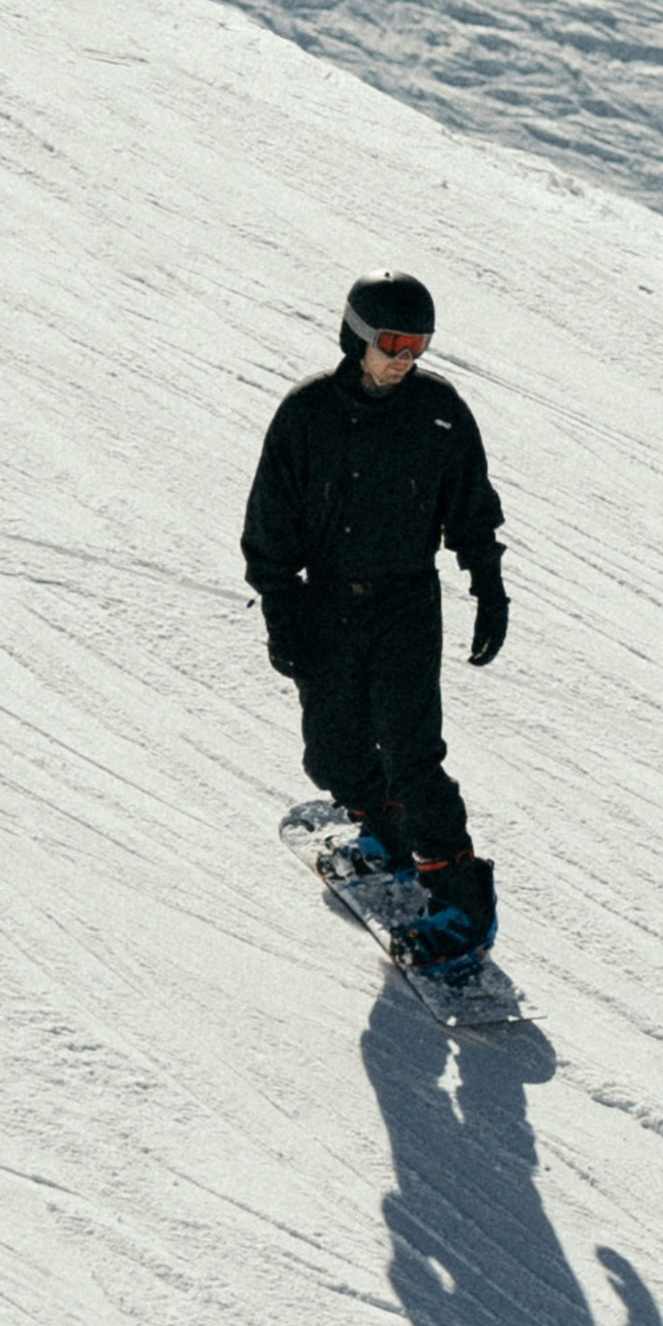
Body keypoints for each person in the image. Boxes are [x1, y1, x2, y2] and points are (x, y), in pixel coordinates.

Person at [242, 271, 510, 988]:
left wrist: (488, 583)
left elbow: (472, 508)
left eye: (417, 345)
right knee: (332, 749)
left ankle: (461, 902)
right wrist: (279, 605)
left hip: (406, 605)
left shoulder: (439, 414)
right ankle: (382, 828)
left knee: (413, 748)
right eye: (392, 343)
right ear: (356, 336)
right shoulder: (305, 416)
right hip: (328, 602)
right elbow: (270, 522)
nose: (405, 358)